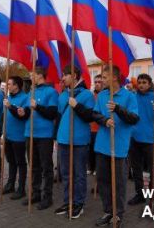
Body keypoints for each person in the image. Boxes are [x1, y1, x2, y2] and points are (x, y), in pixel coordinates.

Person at [93, 65, 139, 227]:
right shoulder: (102, 95)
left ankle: (118, 214)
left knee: (118, 183)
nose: (102, 80)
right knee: (103, 180)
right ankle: (107, 211)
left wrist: (118, 109)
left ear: (114, 77)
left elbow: (134, 118)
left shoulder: (128, 96)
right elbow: (95, 114)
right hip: (101, 145)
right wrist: (104, 120)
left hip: (119, 147)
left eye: (105, 78)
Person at [54, 66, 95, 218]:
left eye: (65, 74)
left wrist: (76, 106)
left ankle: (79, 204)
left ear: (75, 75)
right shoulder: (62, 94)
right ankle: (68, 202)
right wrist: (56, 137)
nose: (63, 78)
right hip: (63, 140)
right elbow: (58, 118)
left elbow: (89, 116)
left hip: (79, 141)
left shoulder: (86, 95)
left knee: (79, 175)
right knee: (66, 174)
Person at [128, 73, 154, 206]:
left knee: (153, 171)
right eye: (139, 82)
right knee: (136, 169)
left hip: (151, 139)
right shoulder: (133, 96)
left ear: (150, 83)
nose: (141, 85)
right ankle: (139, 194)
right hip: (134, 138)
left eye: (144, 82)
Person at [22, 67, 58, 210]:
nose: (31, 78)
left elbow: (52, 113)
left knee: (46, 167)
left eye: (32, 75)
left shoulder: (51, 91)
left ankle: (47, 196)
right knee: (34, 166)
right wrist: (21, 112)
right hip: (29, 133)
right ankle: (35, 193)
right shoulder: (30, 92)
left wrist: (37, 106)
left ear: (40, 75)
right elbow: (26, 112)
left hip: (44, 135)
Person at [0, 76, 29, 200]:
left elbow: (21, 116)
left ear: (17, 86)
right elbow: (3, 117)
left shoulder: (25, 98)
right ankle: (10, 184)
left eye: (10, 84)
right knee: (11, 162)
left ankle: (21, 189)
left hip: (19, 137)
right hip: (8, 136)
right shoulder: (8, 97)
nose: (8, 87)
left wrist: (10, 106)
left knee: (20, 163)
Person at [88, 74, 103, 175]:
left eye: (99, 82)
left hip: (100, 129)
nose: (97, 84)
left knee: (98, 150)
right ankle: (90, 167)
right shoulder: (91, 96)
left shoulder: (105, 96)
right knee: (90, 149)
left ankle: (98, 168)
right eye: (96, 82)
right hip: (90, 128)